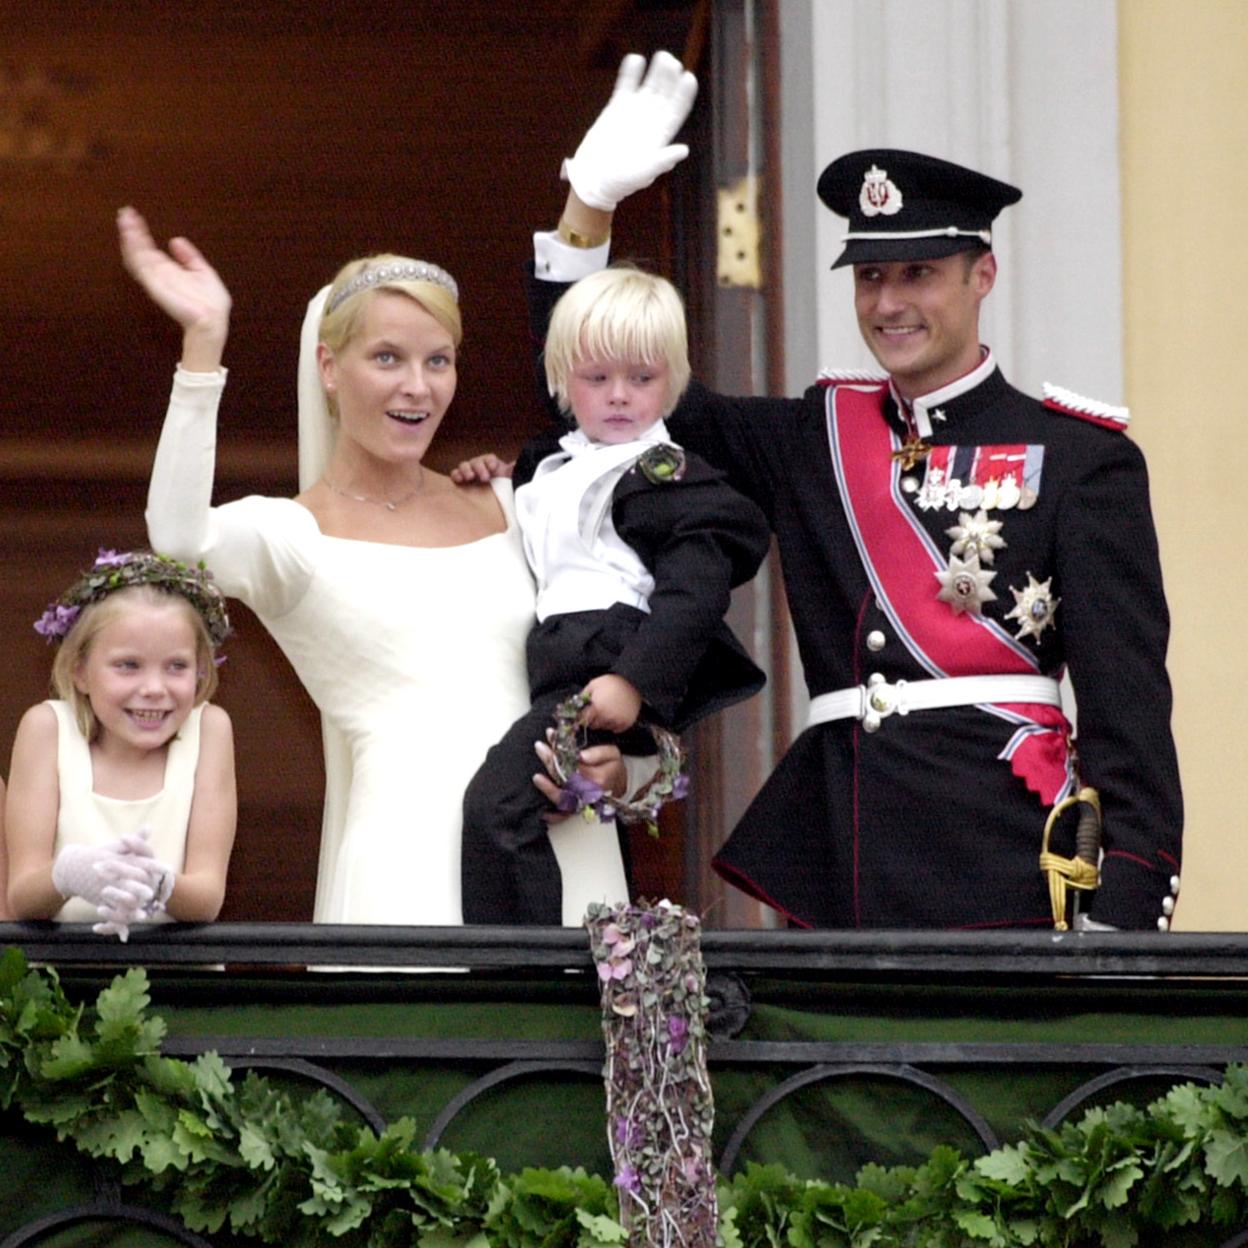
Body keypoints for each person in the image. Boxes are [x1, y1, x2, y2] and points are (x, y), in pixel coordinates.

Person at [468, 52, 1181, 930]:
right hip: (843, 867)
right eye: (871, 277)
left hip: (1006, 869)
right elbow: (605, 378)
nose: (889, 303)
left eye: (918, 273)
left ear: (981, 277)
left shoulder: (1077, 456)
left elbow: (1128, 707)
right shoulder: (815, 437)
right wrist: (589, 210)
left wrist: (1126, 904)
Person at [122, 208, 627, 927]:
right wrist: (203, 344)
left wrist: (624, 763)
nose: (417, 386)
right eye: (387, 357)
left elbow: (613, 638)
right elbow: (176, 539)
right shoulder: (293, 537)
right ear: (329, 368)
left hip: (567, 835)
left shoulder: (516, 506)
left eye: (437, 360)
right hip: (411, 858)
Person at [460, 265, 769, 925]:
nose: (620, 396)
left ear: (675, 379)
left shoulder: (675, 479)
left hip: (604, 669)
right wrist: (487, 475)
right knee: (532, 809)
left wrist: (632, 682)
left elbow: (693, 595)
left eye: (643, 378)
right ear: (563, 380)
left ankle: (519, 983)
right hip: (555, 670)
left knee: (499, 808)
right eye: (597, 379)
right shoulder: (550, 460)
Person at [5, 550, 237, 937]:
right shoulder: (46, 728)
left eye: (176, 666)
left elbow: (207, 898)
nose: (153, 689)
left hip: (181, 984)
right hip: (64, 984)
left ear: (200, 670)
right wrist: (69, 872)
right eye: (128, 665)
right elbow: (22, 898)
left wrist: (156, 881)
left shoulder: (209, 729)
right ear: (79, 670)